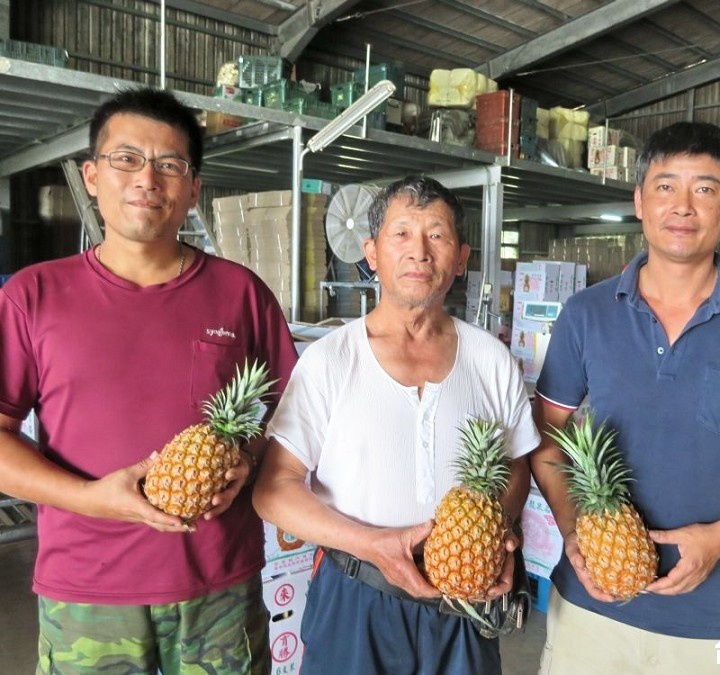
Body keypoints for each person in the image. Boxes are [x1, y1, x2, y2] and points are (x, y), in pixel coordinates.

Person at [0, 87, 299, 674]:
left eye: (170, 165)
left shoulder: (241, 293)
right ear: (91, 175)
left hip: (217, 583)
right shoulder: (32, 295)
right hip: (87, 586)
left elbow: (289, 414)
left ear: (194, 190)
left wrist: (251, 455)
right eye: (127, 159)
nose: (147, 179)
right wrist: (90, 498)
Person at [529, 121, 720, 674]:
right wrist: (574, 530)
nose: (682, 206)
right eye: (665, 186)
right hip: (593, 604)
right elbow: (547, 437)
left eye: (705, 189)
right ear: (640, 201)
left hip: (718, 614)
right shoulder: (586, 313)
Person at [252, 175, 541, 675]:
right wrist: (370, 545)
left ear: (461, 256)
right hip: (357, 592)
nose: (419, 252)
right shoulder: (330, 359)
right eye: (401, 233)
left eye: (437, 235)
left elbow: (516, 465)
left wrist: (499, 529)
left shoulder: (491, 360)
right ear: (371, 252)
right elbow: (273, 491)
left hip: (465, 598)